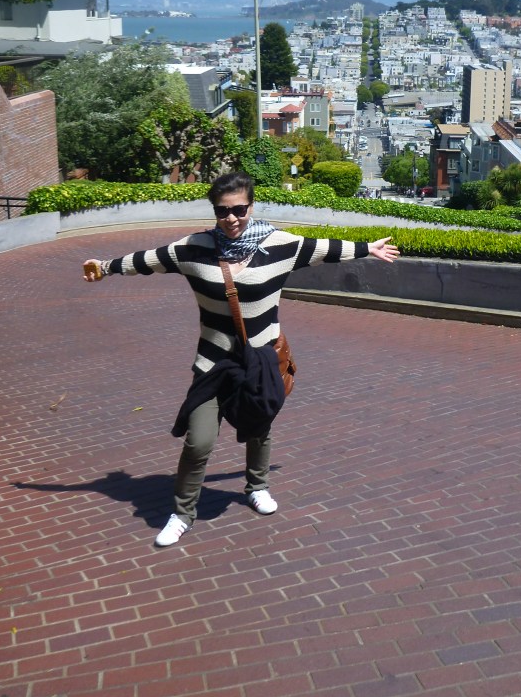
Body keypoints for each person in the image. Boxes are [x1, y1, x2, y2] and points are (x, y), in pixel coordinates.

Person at [83, 170, 400, 547]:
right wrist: (104, 268)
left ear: (250, 206)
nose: (232, 218)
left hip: (260, 359)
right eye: (222, 211)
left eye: (239, 209)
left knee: (258, 425)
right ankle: (182, 513)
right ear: (214, 211)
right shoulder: (194, 247)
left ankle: (257, 485)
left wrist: (368, 249)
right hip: (212, 363)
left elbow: (324, 248)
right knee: (199, 442)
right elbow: (147, 259)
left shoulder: (281, 244)